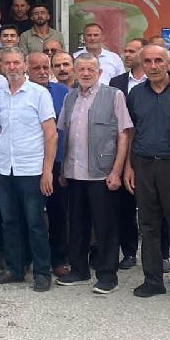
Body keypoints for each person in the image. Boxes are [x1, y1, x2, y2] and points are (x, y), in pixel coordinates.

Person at [125, 43, 170, 303]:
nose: (153, 66)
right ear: (141, 65)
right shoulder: (136, 94)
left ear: (168, 63)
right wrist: (129, 166)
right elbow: (132, 132)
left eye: (158, 61)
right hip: (144, 165)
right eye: (148, 61)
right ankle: (153, 280)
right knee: (148, 224)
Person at [55, 54, 133, 294]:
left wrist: (117, 171)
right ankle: (79, 270)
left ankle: (108, 275)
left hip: (102, 172)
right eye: (81, 69)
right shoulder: (69, 97)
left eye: (91, 69)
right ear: (75, 73)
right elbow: (64, 133)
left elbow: (124, 134)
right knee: (77, 225)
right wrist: (63, 169)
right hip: (74, 172)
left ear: (99, 73)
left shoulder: (114, 95)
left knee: (105, 226)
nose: (86, 73)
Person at [0, 47, 58, 292]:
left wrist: (47, 171)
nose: (13, 67)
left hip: (31, 169)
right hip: (4, 169)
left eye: (17, 62)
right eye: (8, 63)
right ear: (1, 67)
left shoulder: (39, 94)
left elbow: (51, 134)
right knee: (9, 222)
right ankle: (15, 269)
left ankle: (42, 272)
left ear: (25, 65)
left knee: (35, 223)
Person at [29, 52, 71, 277]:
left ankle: (59, 259)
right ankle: (30, 259)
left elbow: (68, 128)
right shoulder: (20, 93)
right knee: (31, 214)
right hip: (28, 162)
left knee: (58, 213)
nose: (43, 72)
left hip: (56, 161)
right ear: (27, 70)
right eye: (37, 68)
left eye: (46, 67)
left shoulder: (63, 92)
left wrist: (65, 163)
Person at [109, 37, 149, 270]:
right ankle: (129, 252)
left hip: (150, 148)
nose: (127, 54)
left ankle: (162, 254)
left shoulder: (156, 78)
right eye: (126, 50)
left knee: (155, 206)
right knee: (125, 206)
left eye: (132, 51)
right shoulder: (117, 82)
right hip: (124, 147)